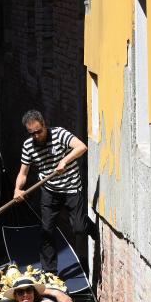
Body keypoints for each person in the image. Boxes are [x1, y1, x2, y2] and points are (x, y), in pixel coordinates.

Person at [13, 110, 89, 275]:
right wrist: (17, 189)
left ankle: (87, 225)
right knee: (46, 231)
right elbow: (23, 173)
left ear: (44, 125)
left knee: (79, 228)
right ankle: (49, 272)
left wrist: (64, 160)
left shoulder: (59, 134)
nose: (36, 136)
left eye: (39, 131)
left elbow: (82, 147)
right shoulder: (28, 146)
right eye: (32, 133)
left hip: (71, 187)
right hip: (49, 190)